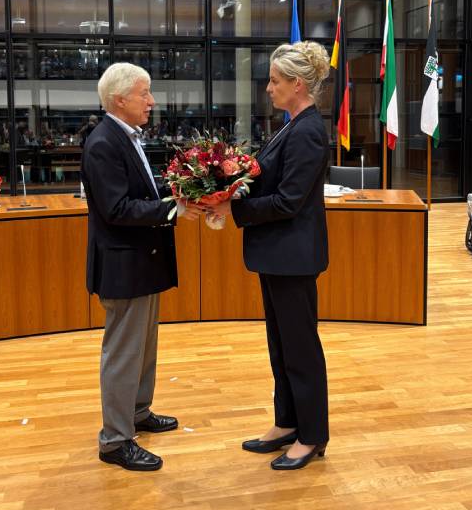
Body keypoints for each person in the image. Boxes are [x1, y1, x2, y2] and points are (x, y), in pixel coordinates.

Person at [215, 41, 331, 471]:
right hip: (278, 255)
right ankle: (287, 422)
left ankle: (312, 435)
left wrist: (234, 209)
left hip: (293, 257)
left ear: (297, 84)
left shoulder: (308, 131)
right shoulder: (291, 126)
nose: (268, 88)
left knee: (300, 348)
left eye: (275, 80)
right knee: (281, 346)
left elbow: (288, 201)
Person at [81, 62, 200, 472]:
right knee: (124, 353)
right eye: (144, 93)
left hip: (142, 263)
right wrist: (174, 209)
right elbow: (117, 209)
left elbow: (143, 192)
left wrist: (185, 189)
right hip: (124, 266)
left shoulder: (125, 136)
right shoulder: (103, 143)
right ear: (120, 100)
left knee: (144, 347)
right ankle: (115, 440)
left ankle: (137, 412)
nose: (151, 101)